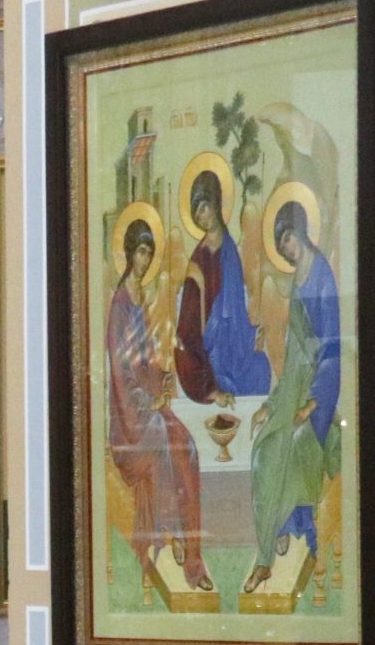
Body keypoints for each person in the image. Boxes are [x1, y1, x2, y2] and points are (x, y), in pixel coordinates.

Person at [104, 218, 213, 598]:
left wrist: (162, 378)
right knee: (166, 442)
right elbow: (121, 372)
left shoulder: (140, 298)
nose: (145, 260)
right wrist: (144, 401)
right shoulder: (120, 305)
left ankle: (193, 553)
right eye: (141, 251)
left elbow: (144, 361)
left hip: (147, 406)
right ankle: (173, 534)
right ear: (128, 253)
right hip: (127, 421)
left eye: (149, 253)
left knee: (188, 446)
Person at [245, 198, 343, 595]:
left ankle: (270, 554)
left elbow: (332, 348)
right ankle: (277, 530)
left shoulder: (322, 275)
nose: (285, 246)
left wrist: (315, 401)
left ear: (301, 231)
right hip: (295, 387)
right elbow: (292, 357)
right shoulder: (295, 282)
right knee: (264, 452)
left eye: (287, 236)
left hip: (322, 391)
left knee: (297, 443)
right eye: (280, 241)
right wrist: (271, 405)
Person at [174, 168, 273, 398]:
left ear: (216, 203)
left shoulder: (229, 249)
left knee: (261, 368)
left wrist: (252, 333)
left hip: (237, 348)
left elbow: (237, 311)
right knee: (224, 381)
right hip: (213, 352)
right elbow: (188, 326)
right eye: (197, 213)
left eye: (204, 208)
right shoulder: (198, 260)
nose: (201, 217)